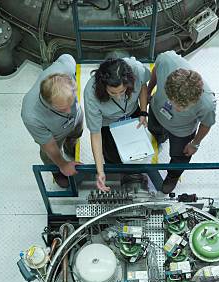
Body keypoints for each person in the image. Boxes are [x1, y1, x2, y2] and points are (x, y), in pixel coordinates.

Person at [147, 50, 217, 194]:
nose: (176, 109)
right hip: (156, 111)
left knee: (180, 156)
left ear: (196, 98)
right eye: (173, 102)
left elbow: (206, 123)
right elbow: (156, 71)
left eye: (182, 106)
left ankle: (172, 176)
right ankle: (159, 138)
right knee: (154, 131)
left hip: (182, 131)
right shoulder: (166, 59)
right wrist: (148, 91)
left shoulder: (207, 103)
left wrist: (195, 143)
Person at [84, 57, 150, 191]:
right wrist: (100, 171)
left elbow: (143, 85)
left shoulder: (137, 70)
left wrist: (143, 112)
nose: (119, 96)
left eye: (122, 91)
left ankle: (134, 171)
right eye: (113, 93)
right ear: (103, 87)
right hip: (108, 123)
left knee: (139, 149)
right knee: (112, 155)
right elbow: (95, 134)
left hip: (133, 113)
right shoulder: (91, 94)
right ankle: (120, 169)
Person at [21, 53, 83, 188]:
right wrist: (63, 164)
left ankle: (70, 145)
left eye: (70, 103)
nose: (68, 111)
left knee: (76, 133)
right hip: (54, 133)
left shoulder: (66, 66)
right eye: (62, 108)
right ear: (48, 103)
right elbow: (48, 145)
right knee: (50, 156)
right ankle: (58, 172)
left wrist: (74, 113)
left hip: (76, 120)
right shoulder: (31, 115)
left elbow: (67, 56)